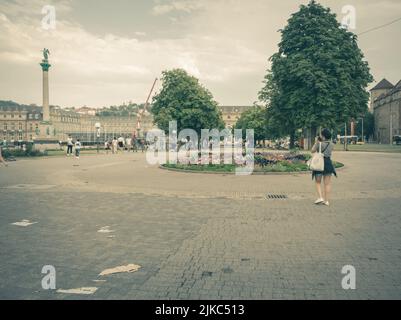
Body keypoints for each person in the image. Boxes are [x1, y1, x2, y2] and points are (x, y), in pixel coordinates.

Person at [311, 128, 337, 206]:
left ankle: (320, 197)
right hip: (328, 163)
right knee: (327, 184)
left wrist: (316, 142)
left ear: (323, 136)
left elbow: (312, 150)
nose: (320, 135)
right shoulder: (332, 144)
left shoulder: (319, 144)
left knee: (318, 182)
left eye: (321, 134)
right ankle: (327, 201)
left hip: (319, 163)